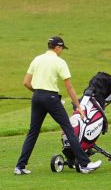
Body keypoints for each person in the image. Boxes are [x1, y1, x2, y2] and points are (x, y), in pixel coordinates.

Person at [15, 36, 102, 175]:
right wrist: (79, 107)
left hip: (37, 97)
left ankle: (20, 166)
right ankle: (85, 164)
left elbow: (26, 82)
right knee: (68, 129)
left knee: (33, 132)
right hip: (51, 98)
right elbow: (69, 88)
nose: (61, 51)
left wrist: (39, 93)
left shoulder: (37, 59)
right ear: (57, 47)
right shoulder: (59, 62)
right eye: (61, 48)